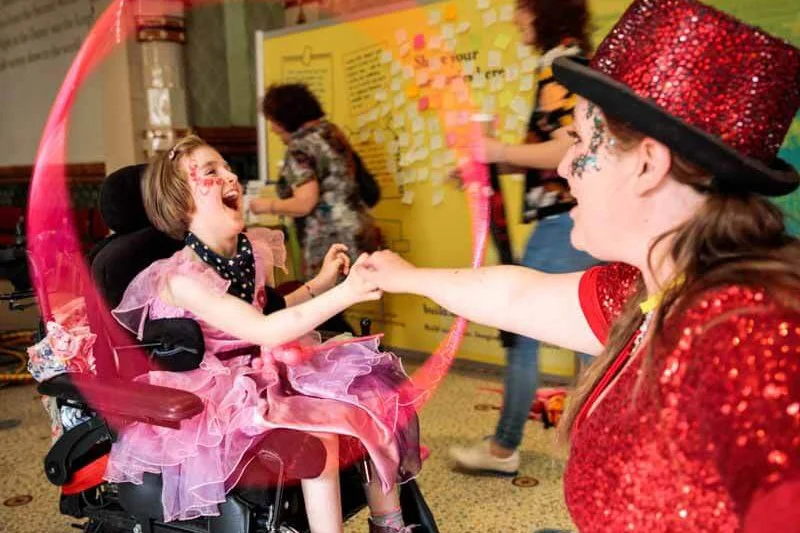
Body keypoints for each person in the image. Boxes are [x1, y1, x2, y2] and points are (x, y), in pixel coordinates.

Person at [358, 0, 800, 530]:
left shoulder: (744, 338)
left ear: (646, 165)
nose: (566, 166)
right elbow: (517, 297)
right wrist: (403, 276)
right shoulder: (658, 289)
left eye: (583, 144)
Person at [104, 135, 419, 533]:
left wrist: (321, 283)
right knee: (320, 431)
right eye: (211, 172)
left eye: (227, 167)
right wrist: (348, 292)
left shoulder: (250, 250)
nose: (231, 176)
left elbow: (268, 311)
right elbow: (264, 329)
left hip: (266, 368)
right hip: (215, 394)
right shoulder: (182, 278)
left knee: (372, 390)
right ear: (182, 201)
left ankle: (388, 524)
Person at [449, 0, 598, 475]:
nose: (516, 21)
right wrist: (493, 164)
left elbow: (570, 148)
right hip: (576, 218)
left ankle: (504, 447)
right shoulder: (572, 63)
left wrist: (494, 149)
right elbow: (557, 156)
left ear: (543, 12)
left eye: (522, 10)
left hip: (561, 221)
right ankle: (596, 442)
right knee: (589, 337)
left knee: (522, 332)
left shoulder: (562, 67)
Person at [250, 83, 380, 298]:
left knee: (325, 307)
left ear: (285, 117)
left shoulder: (300, 147)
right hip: (359, 229)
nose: (272, 129)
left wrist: (264, 206)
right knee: (341, 303)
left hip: (328, 240)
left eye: (273, 120)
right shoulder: (332, 133)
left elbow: (305, 202)